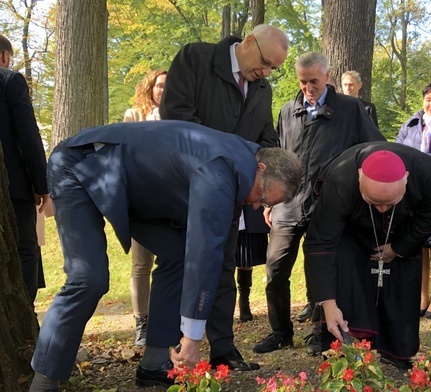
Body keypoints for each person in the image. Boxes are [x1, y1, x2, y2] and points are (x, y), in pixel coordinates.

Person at [28, 120, 301, 392]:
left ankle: (154, 363)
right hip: (81, 165)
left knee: (178, 255)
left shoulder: (244, 163)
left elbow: (211, 256)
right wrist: (192, 339)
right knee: (88, 278)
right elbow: (204, 252)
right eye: (263, 198)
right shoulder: (220, 171)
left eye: (265, 205)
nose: (255, 206)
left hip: (132, 183)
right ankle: (45, 381)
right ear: (262, 168)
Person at [160, 24, 289, 368]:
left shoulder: (262, 88)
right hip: (184, 188)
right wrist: (220, 162)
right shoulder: (196, 58)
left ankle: (223, 348)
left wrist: (268, 174)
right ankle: (166, 351)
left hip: (230, 195)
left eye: (273, 69)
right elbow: (177, 118)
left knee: (222, 266)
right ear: (247, 42)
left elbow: (265, 138)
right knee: (178, 263)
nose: (265, 72)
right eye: (264, 62)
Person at [253, 51, 384, 356]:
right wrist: (271, 203)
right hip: (287, 203)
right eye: (303, 82)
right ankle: (280, 332)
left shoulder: (351, 109)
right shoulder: (287, 111)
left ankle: (318, 332)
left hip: (329, 204)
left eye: (314, 81)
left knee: (320, 270)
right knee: (275, 269)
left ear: (327, 77)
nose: (308, 87)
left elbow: (373, 147)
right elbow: (278, 156)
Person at [304, 143, 431, 369]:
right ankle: (344, 351)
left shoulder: (426, 173)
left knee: (401, 286)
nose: (382, 209)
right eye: (375, 202)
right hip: (353, 233)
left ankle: (396, 350)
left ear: (406, 178)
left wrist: (399, 247)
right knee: (347, 280)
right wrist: (328, 304)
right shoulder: (340, 178)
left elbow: (428, 217)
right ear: (359, 178)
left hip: (402, 231)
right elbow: (321, 242)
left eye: (390, 203)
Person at [0, 33, 50, 304]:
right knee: (25, 250)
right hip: (13, 186)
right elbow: (28, 136)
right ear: (5, 56)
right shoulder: (10, 80)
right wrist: (42, 185)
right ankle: (23, 313)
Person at [396, 81, 431, 319]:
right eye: (428, 99)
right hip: (412, 191)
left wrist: (418, 160)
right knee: (418, 246)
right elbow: (399, 151)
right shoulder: (410, 124)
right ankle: (422, 297)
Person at [122, 69, 167, 346]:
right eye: (160, 85)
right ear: (150, 88)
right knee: (141, 263)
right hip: (141, 198)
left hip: (170, 200)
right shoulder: (134, 115)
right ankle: (142, 323)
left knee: (171, 262)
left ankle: (165, 320)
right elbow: (128, 152)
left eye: (168, 86)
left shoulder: (179, 115)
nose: (164, 90)